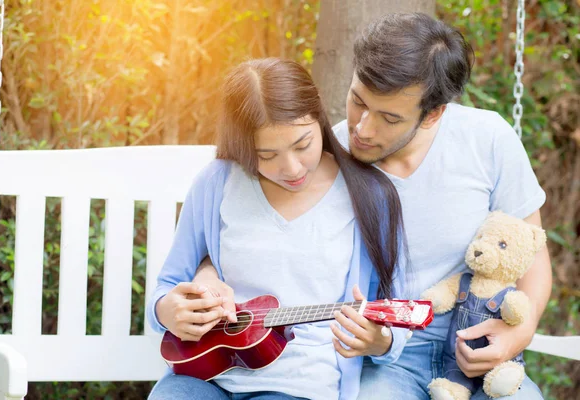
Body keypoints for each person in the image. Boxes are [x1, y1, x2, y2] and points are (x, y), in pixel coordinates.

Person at [195, 13, 550, 400]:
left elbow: (532, 257)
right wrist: (208, 272)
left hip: (480, 343)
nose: (362, 128)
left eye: (389, 118)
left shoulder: (487, 139)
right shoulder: (321, 160)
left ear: (432, 114)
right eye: (357, 101)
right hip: (382, 359)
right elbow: (265, 239)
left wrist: (520, 331)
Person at [146, 57, 409, 400]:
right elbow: (168, 285)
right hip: (204, 374)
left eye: (303, 145)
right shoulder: (217, 182)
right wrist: (167, 310)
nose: (292, 168)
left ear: (319, 117)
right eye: (266, 155)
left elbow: (398, 308)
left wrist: (381, 341)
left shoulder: (370, 195)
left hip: (300, 384)